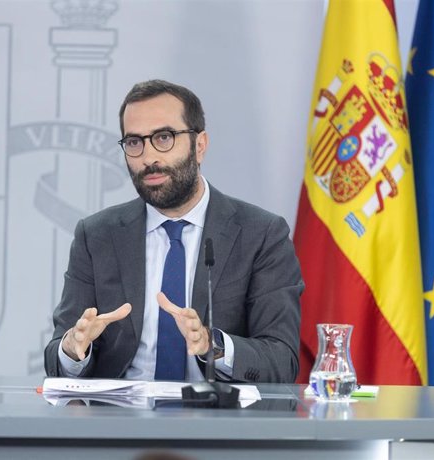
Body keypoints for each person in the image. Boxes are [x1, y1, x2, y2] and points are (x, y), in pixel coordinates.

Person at [44, 79, 303, 383]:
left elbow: (282, 360)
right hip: (121, 422)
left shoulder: (261, 234)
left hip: (219, 423)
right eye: (134, 142)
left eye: (164, 137)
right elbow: (58, 357)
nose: (148, 157)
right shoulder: (97, 235)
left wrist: (213, 344)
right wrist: (74, 349)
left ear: (200, 145)